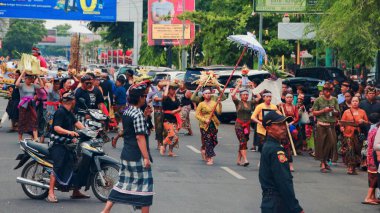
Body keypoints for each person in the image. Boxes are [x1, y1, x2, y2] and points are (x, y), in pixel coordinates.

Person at [101, 84, 153, 213]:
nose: (145, 99)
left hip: (127, 154)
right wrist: (146, 157)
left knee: (122, 183)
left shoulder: (127, 111)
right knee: (145, 187)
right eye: (144, 96)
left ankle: (106, 210)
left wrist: (145, 116)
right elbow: (140, 137)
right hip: (137, 155)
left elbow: (130, 130)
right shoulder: (137, 114)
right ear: (139, 98)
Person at [259, 111, 304, 213]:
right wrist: (296, 208)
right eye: (279, 124)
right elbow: (283, 181)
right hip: (277, 203)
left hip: (271, 201)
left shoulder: (270, 146)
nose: (284, 127)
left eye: (284, 124)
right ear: (268, 128)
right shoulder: (275, 150)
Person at [47, 92, 87, 203]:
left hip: (68, 144)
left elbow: (78, 123)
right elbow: (56, 128)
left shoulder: (69, 112)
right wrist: (69, 132)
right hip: (58, 144)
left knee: (76, 165)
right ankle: (50, 193)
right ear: (72, 101)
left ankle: (75, 191)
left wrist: (89, 131)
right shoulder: (60, 112)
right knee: (58, 166)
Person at [312, 83, 340, 173]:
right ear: (323, 91)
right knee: (322, 144)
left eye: (329, 91)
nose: (327, 93)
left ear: (331, 91)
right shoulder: (318, 100)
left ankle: (326, 160)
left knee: (332, 143)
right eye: (325, 91)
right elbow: (314, 112)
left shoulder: (335, 100)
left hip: (331, 125)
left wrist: (333, 111)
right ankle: (323, 163)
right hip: (321, 124)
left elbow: (338, 112)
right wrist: (324, 110)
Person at [231, 81, 259, 166]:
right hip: (239, 125)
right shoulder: (238, 102)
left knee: (244, 142)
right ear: (241, 96)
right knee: (242, 141)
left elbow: (259, 97)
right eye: (244, 95)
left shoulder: (250, 103)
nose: (246, 96)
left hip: (247, 126)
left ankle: (239, 159)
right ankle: (245, 159)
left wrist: (253, 87)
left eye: (247, 95)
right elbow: (232, 95)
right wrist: (238, 86)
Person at [340, 96, 369, 175]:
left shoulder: (362, 111)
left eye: (356, 101)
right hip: (348, 134)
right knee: (350, 150)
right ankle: (350, 167)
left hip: (358, 135)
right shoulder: (346, 112)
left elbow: (367, 122)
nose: (355, 102)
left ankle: (353, 167)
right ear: (351, 102)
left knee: (357, 151)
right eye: (353, 101)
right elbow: (342, 122)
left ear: (359, 102)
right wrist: (342, 128)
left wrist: (363, 121)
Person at [15, 70, 44, 141]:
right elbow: (16, 84)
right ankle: (20, 137)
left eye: (31, 79)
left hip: (31, 104)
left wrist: (38, 76)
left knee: (34, 119)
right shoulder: (22, 85)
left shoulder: (33, 85)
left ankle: (35, 136)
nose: (30, 80)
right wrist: (22, 74)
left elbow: (42, 86)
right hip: (23, 104)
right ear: (25, 79)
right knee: (22, 120)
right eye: (29, 79)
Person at [195, 88, 222, 165]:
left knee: (214, 141)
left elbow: (219, 112)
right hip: (204, 125)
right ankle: (210, 158)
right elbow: (197, 115)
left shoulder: (214, 103)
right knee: (208, 141)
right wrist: (204, 120)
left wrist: (219, 104)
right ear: (203, 95)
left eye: (209, 93)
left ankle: (207, 152)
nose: (208, 94)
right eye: (206, 93)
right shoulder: (201, 104)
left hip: (213, 123)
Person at [161, 81, 181, 156]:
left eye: (174, 89)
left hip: (174, 118)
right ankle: (162, 144)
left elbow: (179, 107)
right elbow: (165, 94)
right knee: (172, 134)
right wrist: (168, 85)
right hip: (167, 118)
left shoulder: (175, 98)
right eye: (171, 89)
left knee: (176, 137)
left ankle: (170, 151)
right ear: (169, 90)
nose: (173, 90)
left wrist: (175, 111)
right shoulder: (166, 98)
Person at [363, 121, 380, 205]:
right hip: (374, 155)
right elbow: (376, 145)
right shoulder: (377, 131)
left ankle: (372, 197)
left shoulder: (372, 130)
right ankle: (368, 197)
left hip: (370, 154)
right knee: (374, 177)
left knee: (372, 176)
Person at [282, 93, 299, 171]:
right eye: (287, 97)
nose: (289, 99)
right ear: (285, 98)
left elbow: (296, 117)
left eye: (290, 97)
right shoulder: (281, 106)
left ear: (293, 99)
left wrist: (290, 123)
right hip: (282, 126)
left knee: (295, 133)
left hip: (291, 125)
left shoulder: (295, 107)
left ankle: (290, 164)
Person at [152, 81, 165, 150]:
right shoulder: (154, 89)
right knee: (158, 128)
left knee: (164, 128)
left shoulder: (165, 89)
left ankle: (162, 143)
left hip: (164, 110)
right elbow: (156, 99)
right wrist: (164, 98)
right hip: (158, 111)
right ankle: (159, 143)